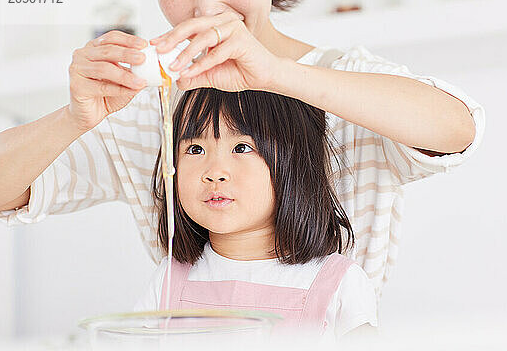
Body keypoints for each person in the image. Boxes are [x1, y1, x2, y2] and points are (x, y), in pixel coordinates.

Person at [0, 0, 484, 310]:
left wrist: (276, 74)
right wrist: (74, 117)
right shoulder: (149, 110)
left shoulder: (343, 79)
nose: (206, 8)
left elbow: (458, 128)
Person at [134, 86, 378, 339]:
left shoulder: (339, 283)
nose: (215, 172)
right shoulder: (168, 279)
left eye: (241, 147)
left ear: (292, 161)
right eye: (196, 149)